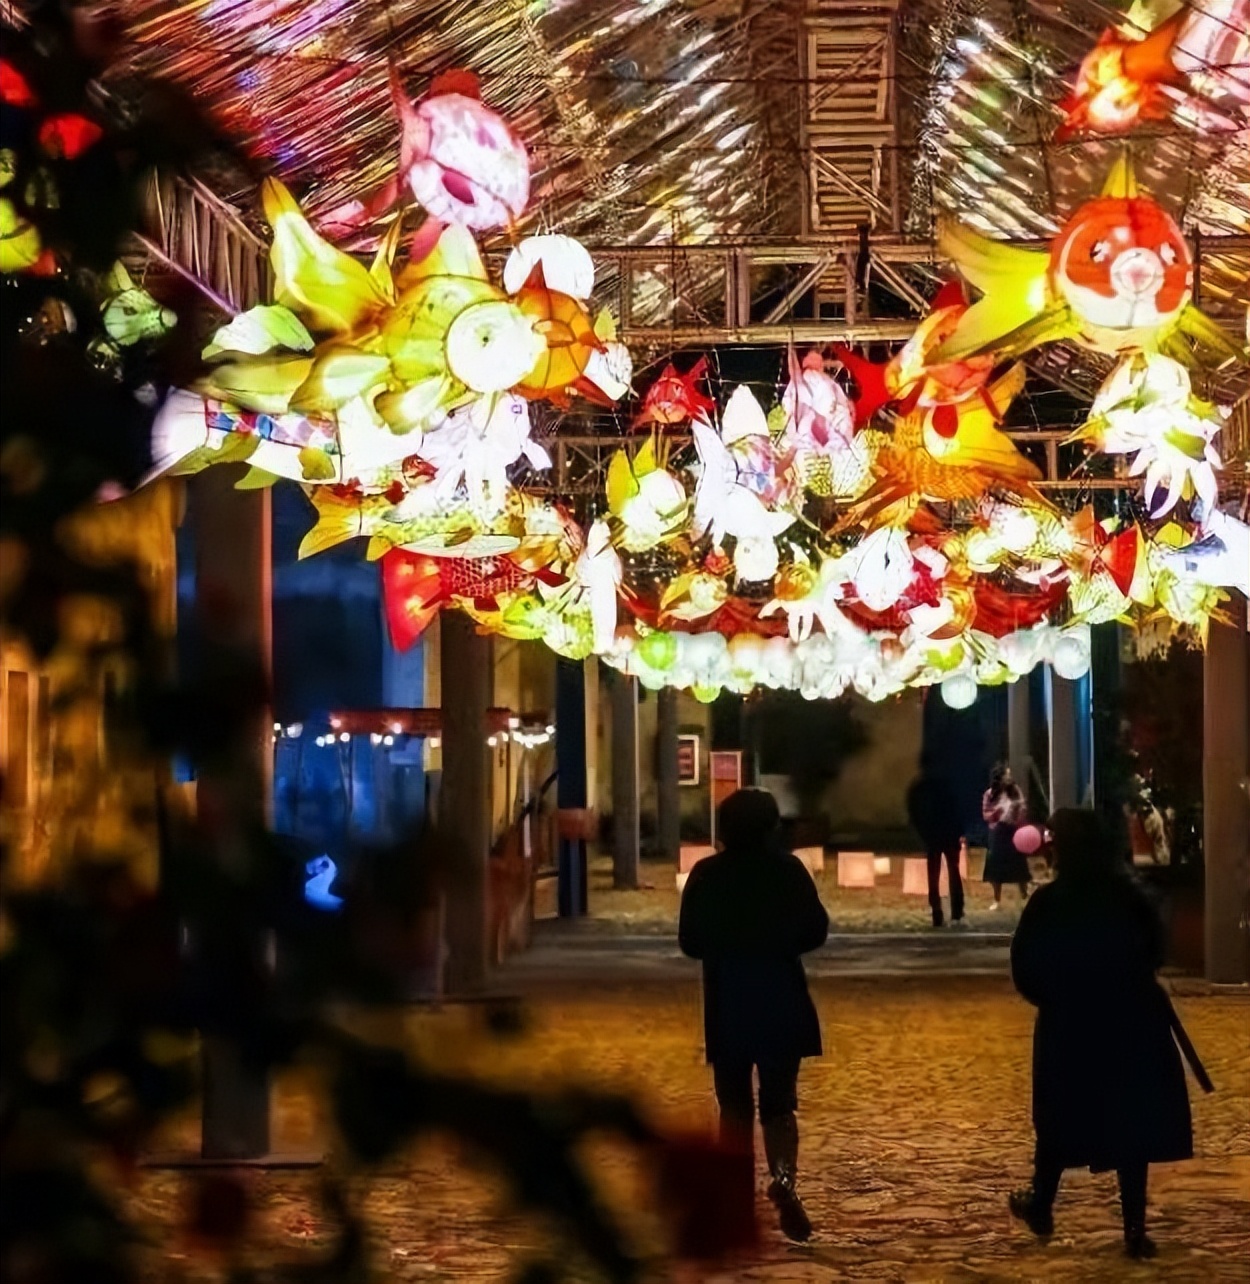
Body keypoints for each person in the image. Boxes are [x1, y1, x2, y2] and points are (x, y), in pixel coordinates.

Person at [1009, 809, 1196, 1260]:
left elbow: (1025, 967)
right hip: (1130, 1019)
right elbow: (1154, 951)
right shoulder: (1129, 899)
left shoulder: (1050, 903)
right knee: (1129, 1122)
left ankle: (1042, 1202)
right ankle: (1133, 1227)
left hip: (1070, 1023)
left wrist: (1054, 997)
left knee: (1059, 1117)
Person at [678, 788, 829, 1243]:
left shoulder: (707, 874)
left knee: (735, 1107)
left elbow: (689, 941)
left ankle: (735, 1201)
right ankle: (783, 1179)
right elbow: (815, 931)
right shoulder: (788, 870)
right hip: (781, 994)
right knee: (780, 1103)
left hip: (728, 998)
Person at [906, 758, 966, 928]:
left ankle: (936, 912)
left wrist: (921, 831)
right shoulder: (950, 785)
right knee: (953, 873)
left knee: (933, 875)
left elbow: (913, 810)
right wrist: (960, 832)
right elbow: (960, 809)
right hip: (949, 834)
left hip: (932, 835)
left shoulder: (920, 787)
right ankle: (956, 911)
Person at [981, 764, 1029, 909]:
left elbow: (1023, 807)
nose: (1009, 777)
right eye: (1006, 774)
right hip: (998, 831)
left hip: (1013, 830)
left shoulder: (1015, 791)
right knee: (996, 866)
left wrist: (1018, 815)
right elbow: (986, 815)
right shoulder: (990, 794)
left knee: (1019, 863)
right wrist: (996, 811)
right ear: (999, 777)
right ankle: (997, 900)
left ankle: (1024, 895)